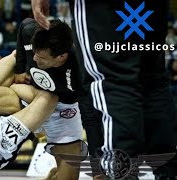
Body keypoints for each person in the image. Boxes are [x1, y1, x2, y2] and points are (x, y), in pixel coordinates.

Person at [31, 0, 177, 179]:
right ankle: (168, 173)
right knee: (152, 79)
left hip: (103, 8)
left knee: (113, 80)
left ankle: (122, 173)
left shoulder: (70, 61)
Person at [0, 19, 84, 180]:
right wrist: (19, 69)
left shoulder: (79, 70)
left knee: (69, 177)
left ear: (61, 57)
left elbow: (91, 115)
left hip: (64, 110)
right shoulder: (31, 34)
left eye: (42, 58)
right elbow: (24, 26)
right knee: (11, 60)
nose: (36, 60)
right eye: (34, 54)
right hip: (30, 97)